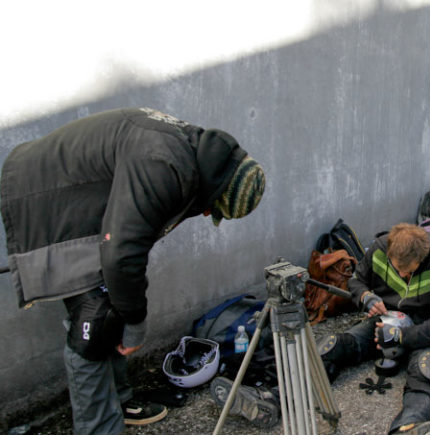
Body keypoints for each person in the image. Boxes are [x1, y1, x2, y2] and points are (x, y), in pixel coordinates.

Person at [0, 108, 266, 434]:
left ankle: (119, 401)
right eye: (213, 208)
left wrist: (127, 309)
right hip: (45, 194)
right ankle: (100, 428)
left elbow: (128, 246)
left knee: (115, 299)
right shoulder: (165, 164)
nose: (207, 212)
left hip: (77, 194)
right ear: (217, 191)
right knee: (94, 323)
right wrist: (136, 324)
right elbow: (122, 254)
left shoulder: (195, 151)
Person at [318, 223, 430, 435]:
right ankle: (284, 392)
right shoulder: (379, 248)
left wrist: (403, 336)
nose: (403, 275)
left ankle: (410, 426)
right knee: (334, 346)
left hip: (424, 328)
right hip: (386, 320)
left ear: (421, 259)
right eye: (397, 269)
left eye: (409, 271)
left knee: (427, 369)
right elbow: (356, 281)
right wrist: (366, 298)